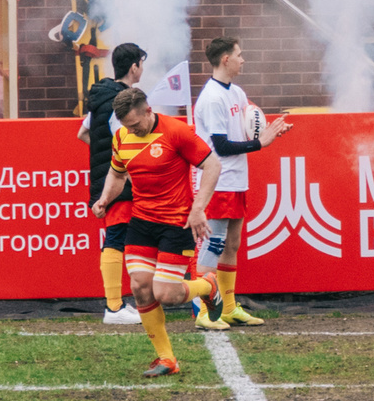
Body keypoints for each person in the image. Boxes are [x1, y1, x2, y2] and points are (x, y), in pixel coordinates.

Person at [89, 85, 227, 380]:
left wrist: (198, 208)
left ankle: (207, 287)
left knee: (166, 293)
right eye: (127, 126)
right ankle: (167, 358)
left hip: (176, 222)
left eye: (136, 124)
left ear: (148, 110)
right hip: (141, 222)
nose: (132, 130)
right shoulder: (122, 136)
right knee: (139, 287)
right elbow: (117, 172)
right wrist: (104, 199)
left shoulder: (177, 132)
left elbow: (213, 165)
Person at [191, 37, 290, 331]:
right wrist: (262, 143)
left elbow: (248, 128)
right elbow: (220, 146)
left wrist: (272, 131)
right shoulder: (212, 97)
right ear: (225, 59)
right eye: (239, 55)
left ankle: (230, 307)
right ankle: (204, 312)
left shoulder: (237, 92)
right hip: (217, 181)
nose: (243, 59)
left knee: (231, 245)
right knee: (213, 245)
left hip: (235, 180)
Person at [79, 41, 145, 326]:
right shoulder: (125, 100)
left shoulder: (102, 95)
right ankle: (114, 307)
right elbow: (127, 141)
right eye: (142, 64)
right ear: (134, 67)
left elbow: (83, 132)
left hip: (107, 177)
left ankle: (118, 304)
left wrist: (105, 155)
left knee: (118, 238)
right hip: (120, 181)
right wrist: (125, 169)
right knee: (117, 239)